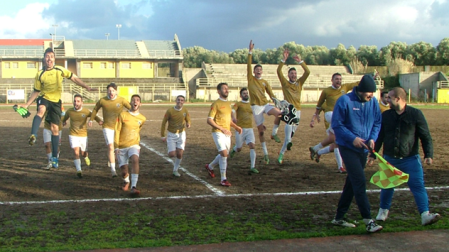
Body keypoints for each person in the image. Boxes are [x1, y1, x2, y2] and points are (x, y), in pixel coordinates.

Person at [368, 87, 441, 226]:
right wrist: (372, 154)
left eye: (389, 97)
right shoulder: (386, 116)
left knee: (417, 186)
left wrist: (428, 154)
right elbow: (380, 136)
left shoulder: (416, 114)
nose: (386, 100)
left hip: (410, 159)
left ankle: (425, 215)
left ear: (398, 99)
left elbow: (425, 136)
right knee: (387, 186)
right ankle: (382, 212)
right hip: (389, 159)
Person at [21, 48, 95, 169]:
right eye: (47, 56)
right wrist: (27, 104)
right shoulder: (39, 74)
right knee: (41, 110)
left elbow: (74, 78)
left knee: (55, 128)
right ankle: (33, 135)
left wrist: (86, 86)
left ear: (54, 59)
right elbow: (36, 91)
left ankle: (55, 158)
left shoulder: (60, 70)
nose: (49, 59)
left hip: (56, 102)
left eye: (51, 56)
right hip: (44, 98)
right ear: (44, 59)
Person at [330, 74, 383, 233]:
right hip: (348, 147)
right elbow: (337, 125)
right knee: (359, 181)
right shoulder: (344, 101)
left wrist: (373, 138)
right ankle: (368, 220)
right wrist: (352, 139)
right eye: (369, 93)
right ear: (361, 90)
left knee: (352, 183)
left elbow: (377, 122)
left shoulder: (372, 102)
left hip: (363, 148)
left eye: (373, 93)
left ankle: (339, 218)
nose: (371, 96)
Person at [309, 73, 361, 173]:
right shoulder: (326, 91)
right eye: (336, 79)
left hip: (340, 117)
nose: (339, 81)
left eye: (340, 79)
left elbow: (357, 83)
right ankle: (340, 166)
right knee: (338, 139)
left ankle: (316, 149)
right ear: (332, 80)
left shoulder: (345, 87)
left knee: (336, 141)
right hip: (330, 115)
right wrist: (314, 117)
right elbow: (319, 105)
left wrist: (371, 79)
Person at [247, 40, 283, 164]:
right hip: (256, 107)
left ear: (262, 71)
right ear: (254, 71)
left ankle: (274, 133)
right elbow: (248, 65)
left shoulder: (265, 82)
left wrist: (276, 100)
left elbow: (271, 94)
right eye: (256, 69)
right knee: (261, 132)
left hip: (265, 105)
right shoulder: (251, 79)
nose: (258, 71)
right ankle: (266, 154)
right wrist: (250, 52)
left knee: (279, 113)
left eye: (260, 69)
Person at [274, 49, 310, 164]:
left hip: (298, 110)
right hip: (288, 109)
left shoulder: (299, 83)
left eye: (295, 74)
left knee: (291, 133)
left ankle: (282, 153)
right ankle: (287, 142)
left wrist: (301, 62)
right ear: (288, 75)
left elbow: (308, 72)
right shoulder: (285, 83)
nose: (294, 75)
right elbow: (279, 71)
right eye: (291, 73)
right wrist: (283, 60)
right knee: (290, 124)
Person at [89, 83, 131, 177]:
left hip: (119, 128)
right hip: (107, 127)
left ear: (116, 91)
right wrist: (91, 119)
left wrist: (129, 118)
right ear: (107, 91)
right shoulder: (103, 100)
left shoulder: (121, 100)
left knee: (119, 147)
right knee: (111, 147)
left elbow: (131, 108)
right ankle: (113, 170)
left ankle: (113, 160)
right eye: (109, 90)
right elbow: (95, 109)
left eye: (113, 90)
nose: (111, 92)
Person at [205, 83, 242, 186]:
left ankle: (210, 167)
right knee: (224, 153)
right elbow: (209, 120)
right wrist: (221, 129)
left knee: (224, 154)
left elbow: (228, 120)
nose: (227, 90)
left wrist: (236, 127)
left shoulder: (228, 104)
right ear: (218, 91)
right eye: (224, 88)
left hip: (227, 133)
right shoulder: (216, 104)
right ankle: (223, 179)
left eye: (227, 88)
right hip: (218, 132)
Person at [62, 94, 102, 178]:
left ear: (82, 103)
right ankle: (79, 170)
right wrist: (63, 121)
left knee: (83, 153)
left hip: (83, 135)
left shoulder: (85, 111)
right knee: (76, 152)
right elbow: (64, 118)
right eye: (75, 101)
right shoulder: (70, 111)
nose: (76, 103)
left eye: (78, 101)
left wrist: (99, 121)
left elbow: (93, 116)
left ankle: (86, 157)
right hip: (73, 135)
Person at [115, 94, 146, 197]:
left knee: (135, 159)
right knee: (124, 171)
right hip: (122, 146)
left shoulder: (142, 118)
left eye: (137, 100)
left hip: (134, 144)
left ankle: (133, 186)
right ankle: (126, 181)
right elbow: (117, 130)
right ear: (130, 103)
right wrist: (116, 147)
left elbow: (138, 129)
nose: (135, 102)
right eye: (133, 100)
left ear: (140, 104)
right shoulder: (123, 115)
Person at [160, 95, 191, 177]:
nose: (180, 102)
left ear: (183, 102)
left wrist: (188, 123)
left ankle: (175, 170)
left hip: (181, 134)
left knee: (180, 154)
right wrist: (162, 135)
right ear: (176, 101)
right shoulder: (170, 111)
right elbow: (164, 123)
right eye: (178, 100)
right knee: (172, 154)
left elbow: (188, 119)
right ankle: (171, 149)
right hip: (171, 134)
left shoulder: (185, 110)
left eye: (182, 100)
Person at [229, 88, 258, 174]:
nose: (246, 94)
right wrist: (233, 117)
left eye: (246, 93)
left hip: (250, 129)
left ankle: (252, 167)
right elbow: (232, 111)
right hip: (240, 129)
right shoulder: (238, 104)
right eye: (244, 93)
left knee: (252, 146)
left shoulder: (251, 105)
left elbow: (256, 114)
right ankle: (234, 149)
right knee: (239, 148)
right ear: (241, 96)